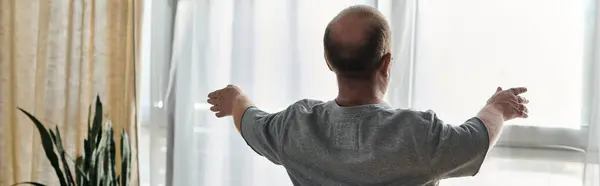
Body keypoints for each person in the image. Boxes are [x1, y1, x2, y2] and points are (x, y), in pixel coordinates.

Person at [206, 5, 529, 186]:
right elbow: (475, 140)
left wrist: (235, 98)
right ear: (386, 63)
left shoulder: (295, 127)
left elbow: (250, 122)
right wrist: (497, 108)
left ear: (328, 62)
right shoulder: (418, 136)